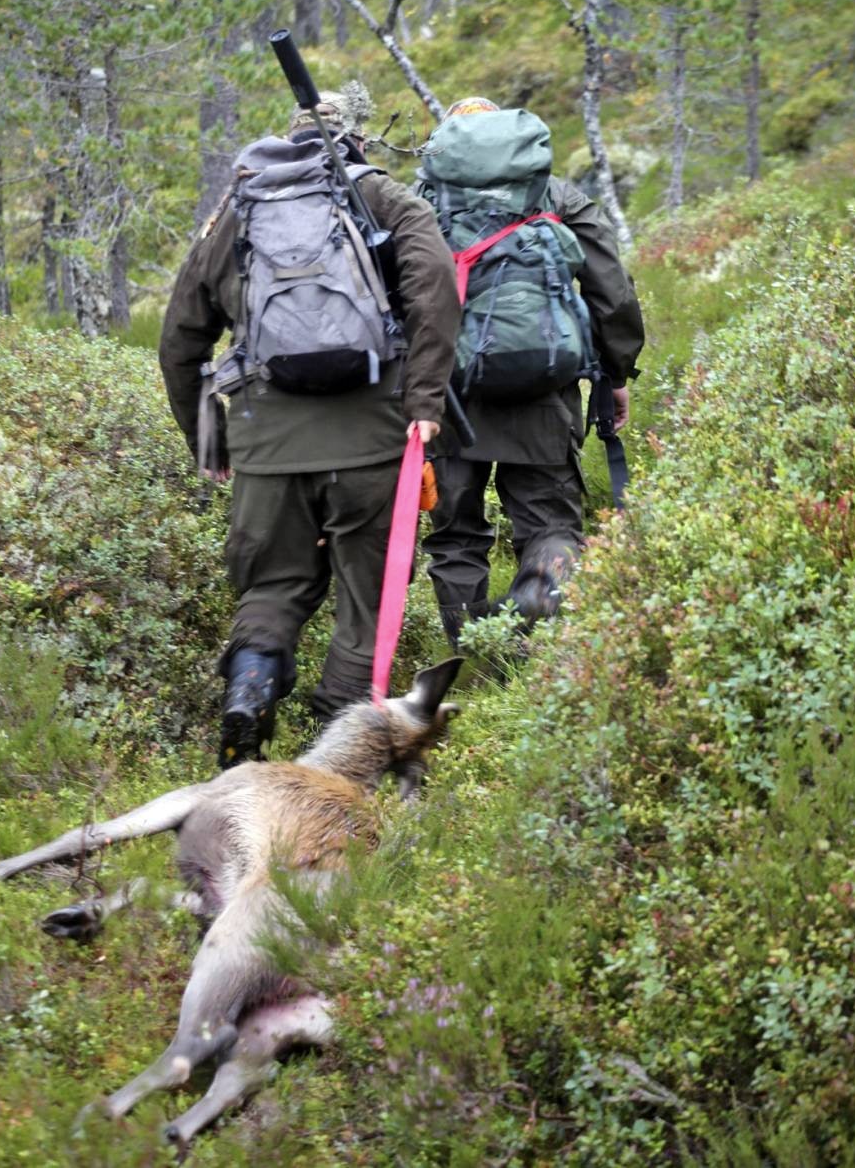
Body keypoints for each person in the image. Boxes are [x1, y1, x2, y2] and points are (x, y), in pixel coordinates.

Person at [159, 86, 460, 766]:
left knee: (271, 586)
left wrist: (211, 438)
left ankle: (250, 693)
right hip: (375, 442)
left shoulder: (237, 213)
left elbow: (179, 340)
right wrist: (424, 405)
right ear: (354, 137)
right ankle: (336, 755)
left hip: (267, 443)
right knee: (365, 598)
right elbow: (435, 285)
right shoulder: (382, 199)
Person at [416, 97, 645, 646]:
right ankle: (539, 598)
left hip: (449, 395)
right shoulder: (555, 194)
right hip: (545, 385)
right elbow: (611, 290)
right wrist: (615, 376)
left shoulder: (422, 201)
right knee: (552, 524)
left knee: (457, 537)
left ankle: (475, 655)